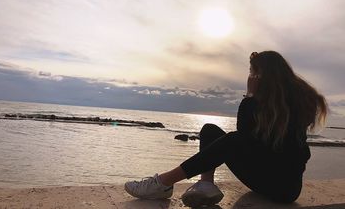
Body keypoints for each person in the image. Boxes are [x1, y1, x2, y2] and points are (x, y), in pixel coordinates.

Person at [124, 51, 327, 207]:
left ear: (265, 75)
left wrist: (249, 97)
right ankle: (206, 185)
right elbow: (252, 141)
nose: (251, 76)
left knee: (234, 140)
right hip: (265, 177)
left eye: (254, 72)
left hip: (283, 189)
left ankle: (162, 183)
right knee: (210, 130)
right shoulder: (273, 104)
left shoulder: (293, 106)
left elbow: (244, 138)